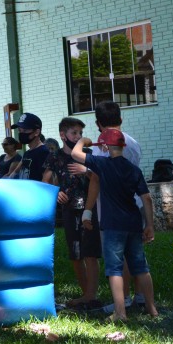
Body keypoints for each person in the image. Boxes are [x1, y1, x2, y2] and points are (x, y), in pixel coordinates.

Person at [72, 129, 158, 322]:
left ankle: (120, 312)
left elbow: (75, 154)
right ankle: (152, 309)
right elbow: (146, 198)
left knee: (114, 269)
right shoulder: (134, 169)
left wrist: (84, 141)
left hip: (112, 225)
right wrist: (150, 224)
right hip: (134, 223)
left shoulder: (102, 164)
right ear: (122, 146)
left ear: (104, 147)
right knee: (141, 267)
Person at [72, 100, 144, 311]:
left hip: (112, 210)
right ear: (120, 119)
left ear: (98, 124)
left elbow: (96, 179)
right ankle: (141, 298)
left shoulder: (102, 147)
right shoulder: (133, 143)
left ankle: (124, 300)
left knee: (117, 256)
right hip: (134, 204)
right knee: (136, 255)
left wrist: (87, 210)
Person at [43, 117, 102, 310]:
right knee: (75, 254)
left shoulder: (87, 154)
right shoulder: (54, 157)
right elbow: (46, 181)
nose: (78, 137)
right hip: (69, 210)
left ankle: (91, 295)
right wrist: (55, 193)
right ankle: (86, 294)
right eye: (74, 133)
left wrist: (86, 170)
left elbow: (98, 177)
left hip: (88, 208)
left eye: (80, 133)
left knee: (90, 253)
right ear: (63, 135)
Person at [7, 113, 48, 180]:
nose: (21, 133)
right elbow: (13, 174)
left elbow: (46, 181)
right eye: (20, 130)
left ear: (37, 132)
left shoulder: (43, 153)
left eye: (25, 130)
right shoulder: (27, 153)